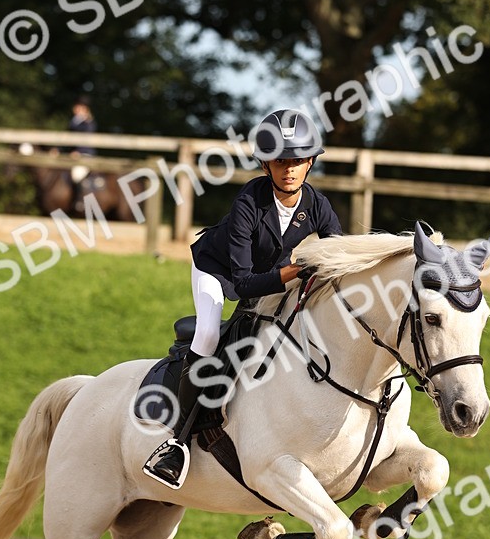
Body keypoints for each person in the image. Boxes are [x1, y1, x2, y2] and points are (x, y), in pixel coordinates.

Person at [143, 108, 342, 488]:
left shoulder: (316, 205)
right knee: (207, 336)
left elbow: (338, 253)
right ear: (266, 164)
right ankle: (176, 443)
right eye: (281, 161)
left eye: (298, 161)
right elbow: (245, 284)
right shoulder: (250, 201)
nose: (290, 170)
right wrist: (293, 273)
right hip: (218, 273)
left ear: (311, 162)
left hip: (269, 275)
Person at [68, 97, 97, 184]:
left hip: (84, 154)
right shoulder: (73, 122)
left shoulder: (88, 123)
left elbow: (87, 140)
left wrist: (78, 152)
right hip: (71, 154)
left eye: (79, 107)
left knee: (76, 175)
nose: (76, 109)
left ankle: (79, 197)